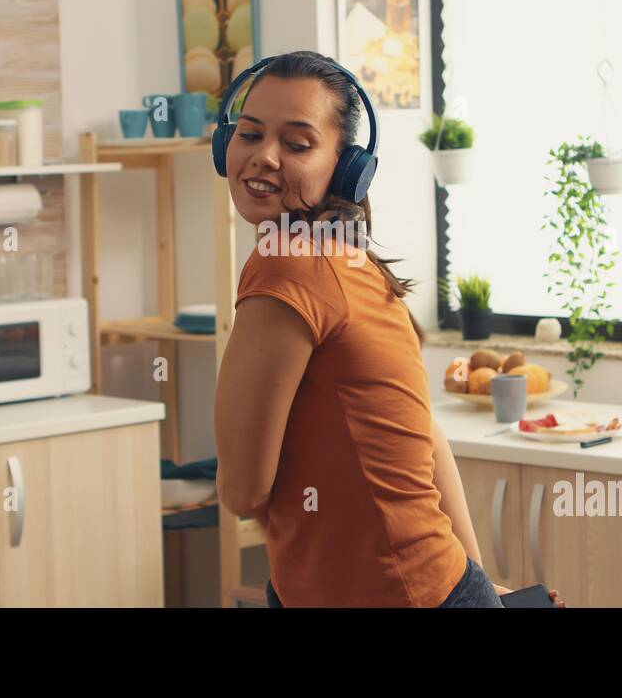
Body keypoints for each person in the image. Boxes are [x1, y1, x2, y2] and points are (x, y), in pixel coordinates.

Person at [212, 50, 563, 608]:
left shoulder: (285, 265)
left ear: (346, 167)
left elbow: (241, 489)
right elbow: (427, 435)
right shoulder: (354, 260)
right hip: (428, 586)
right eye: (250, 134)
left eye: (297, 144)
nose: (263, 157)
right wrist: (478, 586)